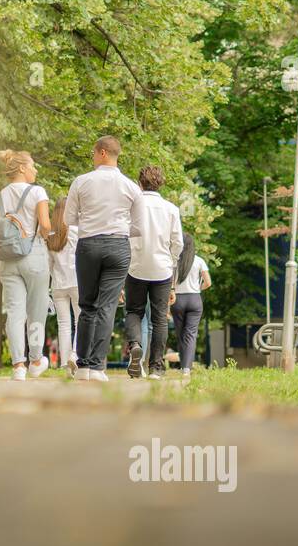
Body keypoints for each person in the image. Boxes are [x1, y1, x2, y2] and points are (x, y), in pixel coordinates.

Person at [64, 135, 143, 382]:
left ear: (101, 153)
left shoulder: (81, 181)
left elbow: (68, 219)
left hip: (88, 245)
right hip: (118, 246)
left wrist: (92, 222)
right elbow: (139, 226)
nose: (92, 157)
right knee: (107, 307)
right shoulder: (131, 187)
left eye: (92, 153)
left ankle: (84, 367)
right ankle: (98, 367)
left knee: (87, 305)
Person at [0, 149, 52, 381]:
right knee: (36, 311)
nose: (35, 169)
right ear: (22, 168)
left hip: (7, 261)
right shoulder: (38, 192)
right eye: (33, 165)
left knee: (14, 312)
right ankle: (36, 360)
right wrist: (46, 234)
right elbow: (44, 224)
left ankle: (18, 366)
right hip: (33, 255)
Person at [124, 165, 183, 379]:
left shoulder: (132, 207)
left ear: (140, 182)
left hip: (135, 267)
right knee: (159, 319)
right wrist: (170, 263)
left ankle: (135, 344)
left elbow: (125, 237)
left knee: (133, 311)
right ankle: (156, 368)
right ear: (161, 183)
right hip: (162, 270)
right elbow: (178, 244)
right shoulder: (171, 209)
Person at [46, 198, 80, 374]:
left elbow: (49, 265)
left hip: (58, 284)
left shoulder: (50, 235)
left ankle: (67, 368)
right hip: (76, 281)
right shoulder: (76, 231)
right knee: (81, 321)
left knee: (64, 324)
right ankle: (75, 355)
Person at [172, 253, 211, 378]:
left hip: (178, 299)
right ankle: (187, 369)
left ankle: (183, 366)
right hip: (194, 298)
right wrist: (198, 288)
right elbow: (208, 282)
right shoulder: (199, 260)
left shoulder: (175, 260)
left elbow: (169, 281)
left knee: (180, 334)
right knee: (190, 334)